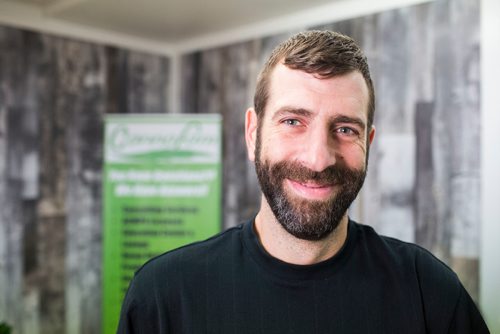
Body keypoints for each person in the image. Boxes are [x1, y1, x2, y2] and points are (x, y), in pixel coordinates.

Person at [117, 30, 489, 333]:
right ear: (253, 133)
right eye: (293, 121)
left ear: (368, 144)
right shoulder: (164, 295)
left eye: (345, 129)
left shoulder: (429, 291)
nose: (318, 159)